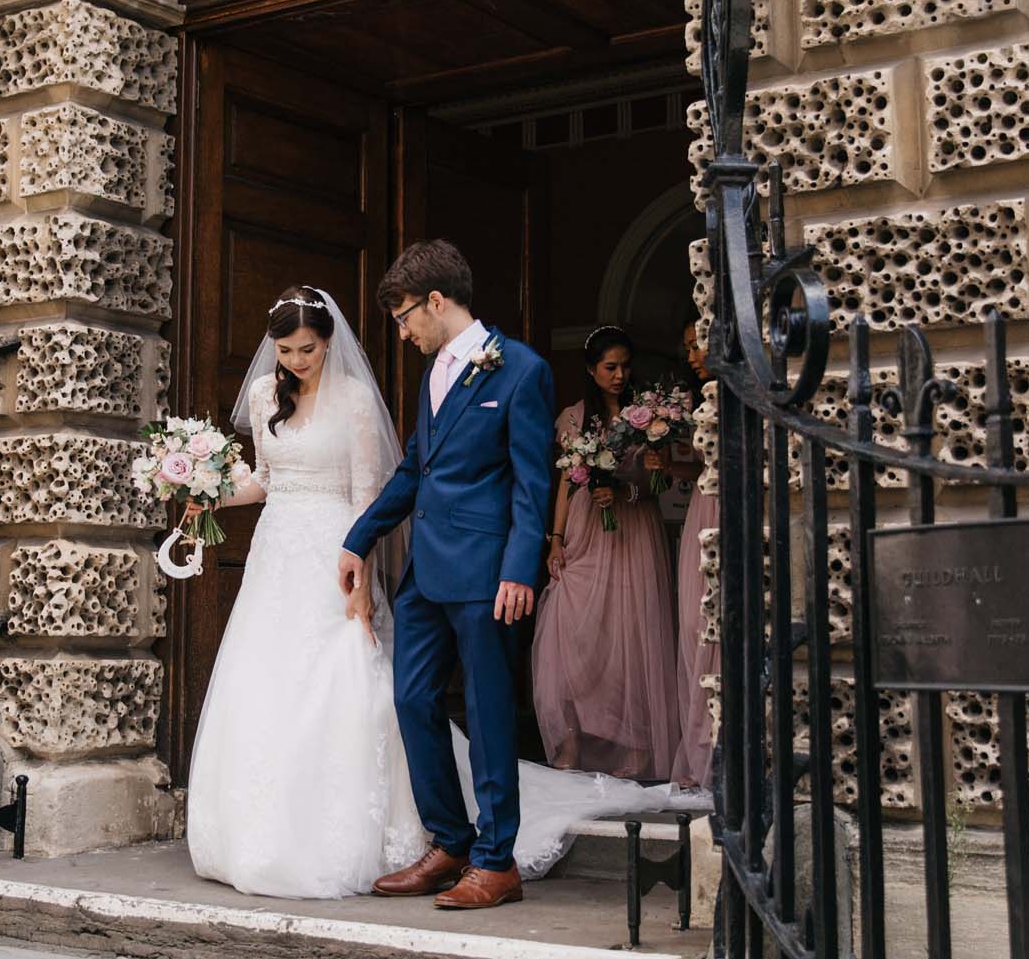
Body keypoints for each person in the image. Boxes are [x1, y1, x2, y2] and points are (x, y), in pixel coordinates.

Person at [187, 274, 695, 903]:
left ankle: (494, 860)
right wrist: (355, 540)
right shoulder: (433, 373)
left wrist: (519, 568)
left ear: (434, 302)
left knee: (485, 710)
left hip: (485, 569)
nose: (401, 333)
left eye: (404, 317)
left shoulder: (522, 370)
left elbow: (532, 480)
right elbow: (412, 472)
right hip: (416, 568)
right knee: (411, 699)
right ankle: (449, 840)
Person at [532, 325, 681, 782]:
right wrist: (555, 539)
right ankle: (571, 742)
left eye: (624, 367)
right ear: (591, 371)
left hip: (633, 531)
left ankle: (634, 752)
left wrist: (634, 487)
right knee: (571, 631)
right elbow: (564, 482)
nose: (619, 375)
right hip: (585, 531)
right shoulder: (575, 418)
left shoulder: (650, 418)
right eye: (609, 367)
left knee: (630, 634)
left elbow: (664, 483)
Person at [668, 321, 720, 791]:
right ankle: (699, 747)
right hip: (701, 509)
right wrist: (666, 464)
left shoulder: (737, 395)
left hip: (727, 508)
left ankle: (719, 750)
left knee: (717, 630)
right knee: (693, 624)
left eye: (695, 344)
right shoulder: (699, 401)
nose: (690, 355)